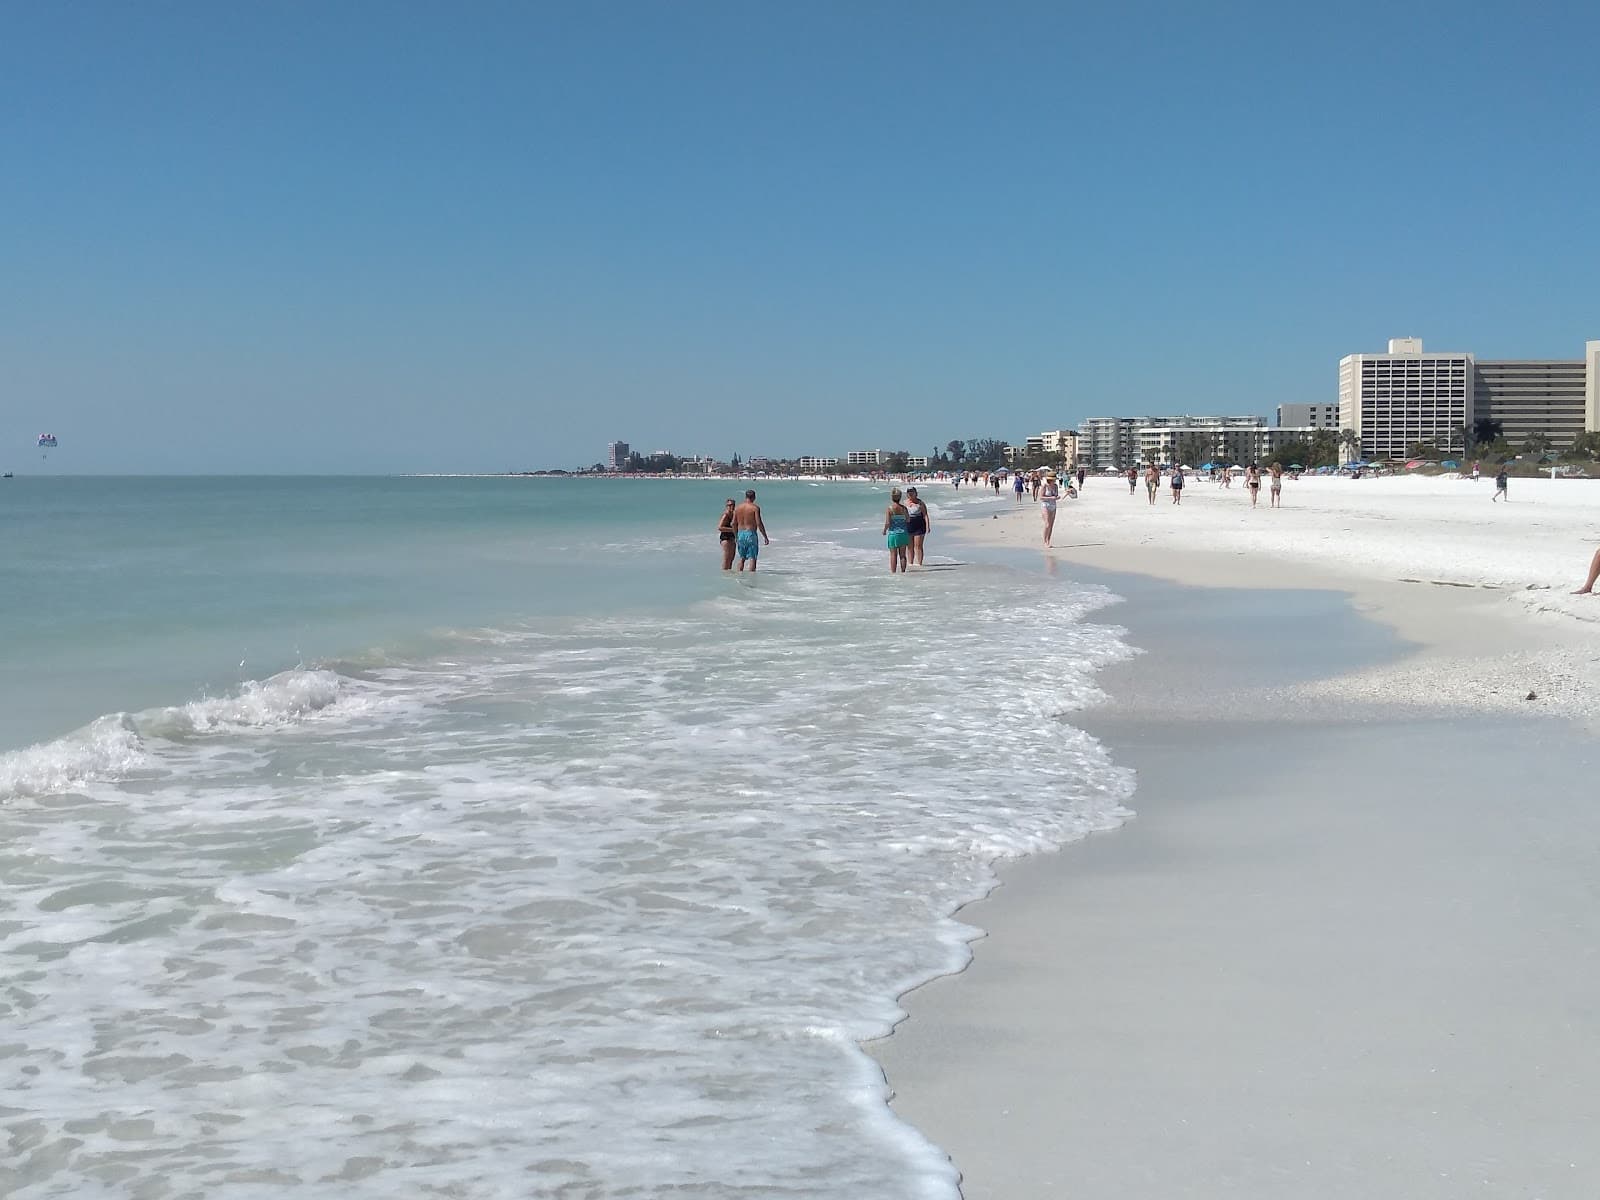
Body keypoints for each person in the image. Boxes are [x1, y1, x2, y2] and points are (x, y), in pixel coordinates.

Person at [732, 489, 769, 571]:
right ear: (754, 497)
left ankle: (739, 577)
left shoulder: (737, 508)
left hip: (740, 534)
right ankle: (752, 579)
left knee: (742, 557)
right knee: (752, 558)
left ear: (745, 497)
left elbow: (733, 523)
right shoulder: (755, 508)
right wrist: (765, 537)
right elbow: (759, 523)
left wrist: (736, 536)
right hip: (751, 534)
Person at [883, 487, 911, 573]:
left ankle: (893, 573)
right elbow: (908, 520)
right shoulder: (904, 508)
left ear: (892, 497)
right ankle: (903, 572)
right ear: (900, 497)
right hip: (903, 533)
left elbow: (888, 522)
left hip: (893, 534)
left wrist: (884, 530)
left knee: (893, 555)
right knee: (902, 555)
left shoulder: (890, 509)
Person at [905, 486, 931, 566]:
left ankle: (919, 563)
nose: (910, 494)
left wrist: (928, 526)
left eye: (912, 492)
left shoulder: (920, 503)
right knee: (909, 546)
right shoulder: (905, 502)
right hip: (908, 525)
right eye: (909, 493)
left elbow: (925, 515)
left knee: (918, 546)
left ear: (916, 493)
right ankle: (910, 563)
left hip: (919, 525)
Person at [1040, 472, 1061, 547]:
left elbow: (1056, 495)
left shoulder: (1055, 486)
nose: (1054, 481)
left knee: (1051, 525)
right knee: (1047, 524)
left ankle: (1048, 541)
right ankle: (1045, 541)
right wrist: (1050, 498)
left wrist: (1057, 497)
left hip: (1053, 506)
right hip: (1045, 505)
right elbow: (1041, 497)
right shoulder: (1044, 486)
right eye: (1053, 480)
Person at [717, 498, 738, 570]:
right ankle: (724, 575)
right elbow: (720, 527)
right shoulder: (726, 515)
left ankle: (728, 574)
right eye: (729, 505)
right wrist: (733, 530)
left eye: (733, 505)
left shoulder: (734, 514)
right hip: (725, 538)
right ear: (726, 506)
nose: (731, 506)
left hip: (732, 538)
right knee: (726, 558)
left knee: (731, 558)